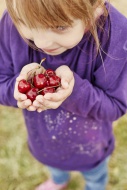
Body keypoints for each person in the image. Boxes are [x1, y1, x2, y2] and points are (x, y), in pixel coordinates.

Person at [0, 0, 127, 189]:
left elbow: (116, 106)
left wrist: (74, 92)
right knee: (55, 167)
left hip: (91, 149)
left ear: (96, 8)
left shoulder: (115, 35)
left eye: (60, 26)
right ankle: (59, 180)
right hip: (43, 141)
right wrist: (18, 88)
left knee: (95, 177)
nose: (41, 43)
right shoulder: (14, 18)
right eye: (26, 22)